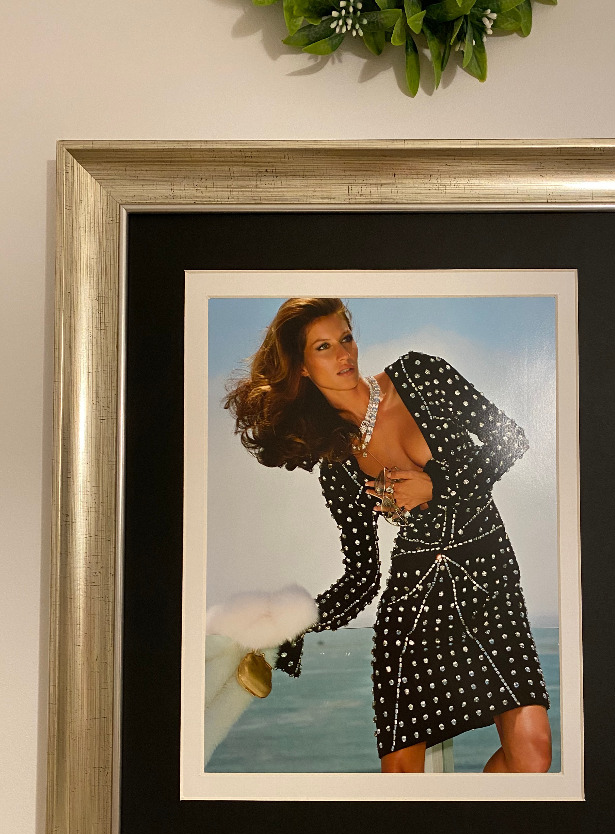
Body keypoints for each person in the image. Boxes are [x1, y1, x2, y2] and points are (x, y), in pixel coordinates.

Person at [225, 297, 552, 774]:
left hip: (490, 580)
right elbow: (361, 578)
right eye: (324, 347)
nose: (344, 354)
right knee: (401, 779)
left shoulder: (420, 375)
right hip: (412, 606)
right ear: (301, 369)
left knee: (532, 755)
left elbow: (510, 439)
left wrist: (437, 486)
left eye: (346, 338)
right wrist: (295, 624)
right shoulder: (338, 467)